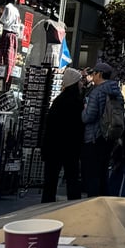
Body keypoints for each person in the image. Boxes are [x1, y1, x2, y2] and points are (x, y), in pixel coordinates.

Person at [41, 66, 85, 202]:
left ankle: (46, 205)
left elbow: (50, 126)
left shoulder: (59, 101)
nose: (82, 84)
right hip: (70, 147)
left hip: (54, 146)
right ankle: (73, 205)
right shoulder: (77, 102)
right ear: (74, 83)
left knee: (51, 181)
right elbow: (79, 126)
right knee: (72, 179)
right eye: (80, 81)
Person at [81, 62, 124, 197]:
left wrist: (84, 110)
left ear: (99, 74)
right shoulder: (117, 91)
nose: (93, 76)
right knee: (103, 171)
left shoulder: (97, 91)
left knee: (93, 173)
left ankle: (93, 201)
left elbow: (88, 117)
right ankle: (104, 200)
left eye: (94, 73)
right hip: (110, 135)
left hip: (95, 136)